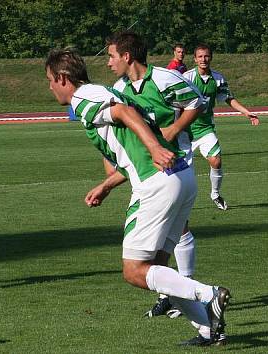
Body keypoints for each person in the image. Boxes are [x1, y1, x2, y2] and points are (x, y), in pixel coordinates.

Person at [45, 48, 231, 346]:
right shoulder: (104, 91)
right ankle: (208, 330)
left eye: (50, 80)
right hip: (180, 177)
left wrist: (155, 149)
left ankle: (209, 294)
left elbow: (123, 112)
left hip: (157, 182)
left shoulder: (83, 98)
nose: (49, 87)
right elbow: (130, 144)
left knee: (133, 271)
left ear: (62, 78)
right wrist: (107, 185)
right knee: (156, 266)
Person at [105, 31, 204, 324]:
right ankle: (175, 297)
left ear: (127, 56)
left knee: (177, 232)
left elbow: (196, 102)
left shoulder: (163, 79)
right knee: (159, 250)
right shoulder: (119, 88)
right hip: (149, 169)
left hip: (175, 164)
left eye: (111, 56)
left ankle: (194, 292)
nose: (108, 62)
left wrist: (173, 130)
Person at [183, 44, 260, 210]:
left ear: (211, 57)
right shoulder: (186, 77)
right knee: (181, 170)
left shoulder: (218, 78)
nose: (204, 59)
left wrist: (246, 112)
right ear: (195, 59)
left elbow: (228, 98)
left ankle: (215, 194)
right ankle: (176, 201)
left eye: (207, 56)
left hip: (205, 129)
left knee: (216, 161)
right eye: (200, 56)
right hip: (184, 130)